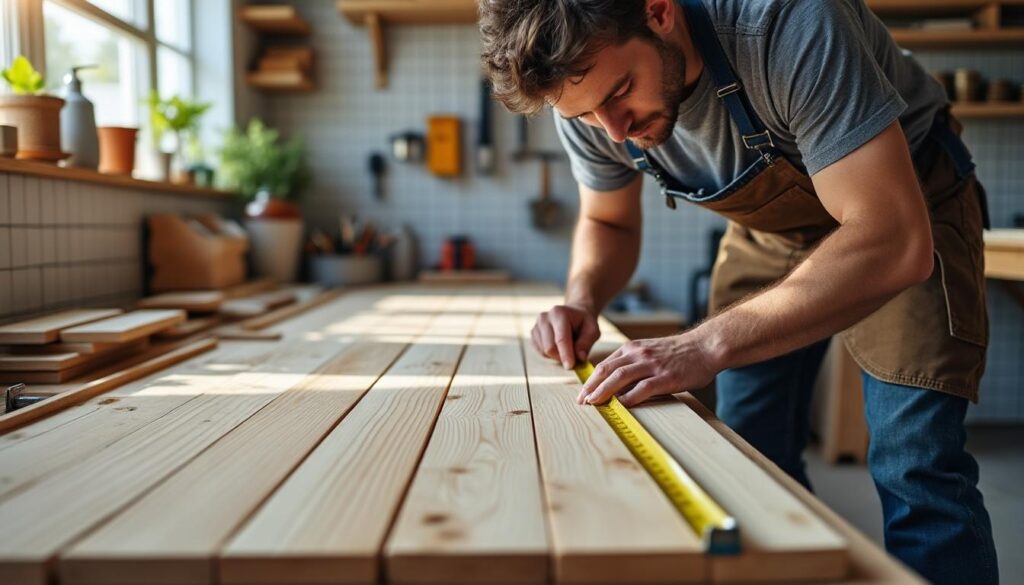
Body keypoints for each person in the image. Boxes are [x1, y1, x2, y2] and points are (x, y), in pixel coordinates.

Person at [480, 0, 999, 582]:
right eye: (587, 116)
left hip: (901, 205)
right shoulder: (584, 89)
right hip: (772, 230)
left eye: (621, 93)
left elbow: (893, 239)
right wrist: (581, 299)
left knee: (915, 464)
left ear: (659, 12)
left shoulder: (789, 24)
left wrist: (704, 346)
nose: (614, 130)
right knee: (749, 456)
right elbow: (609, 223)